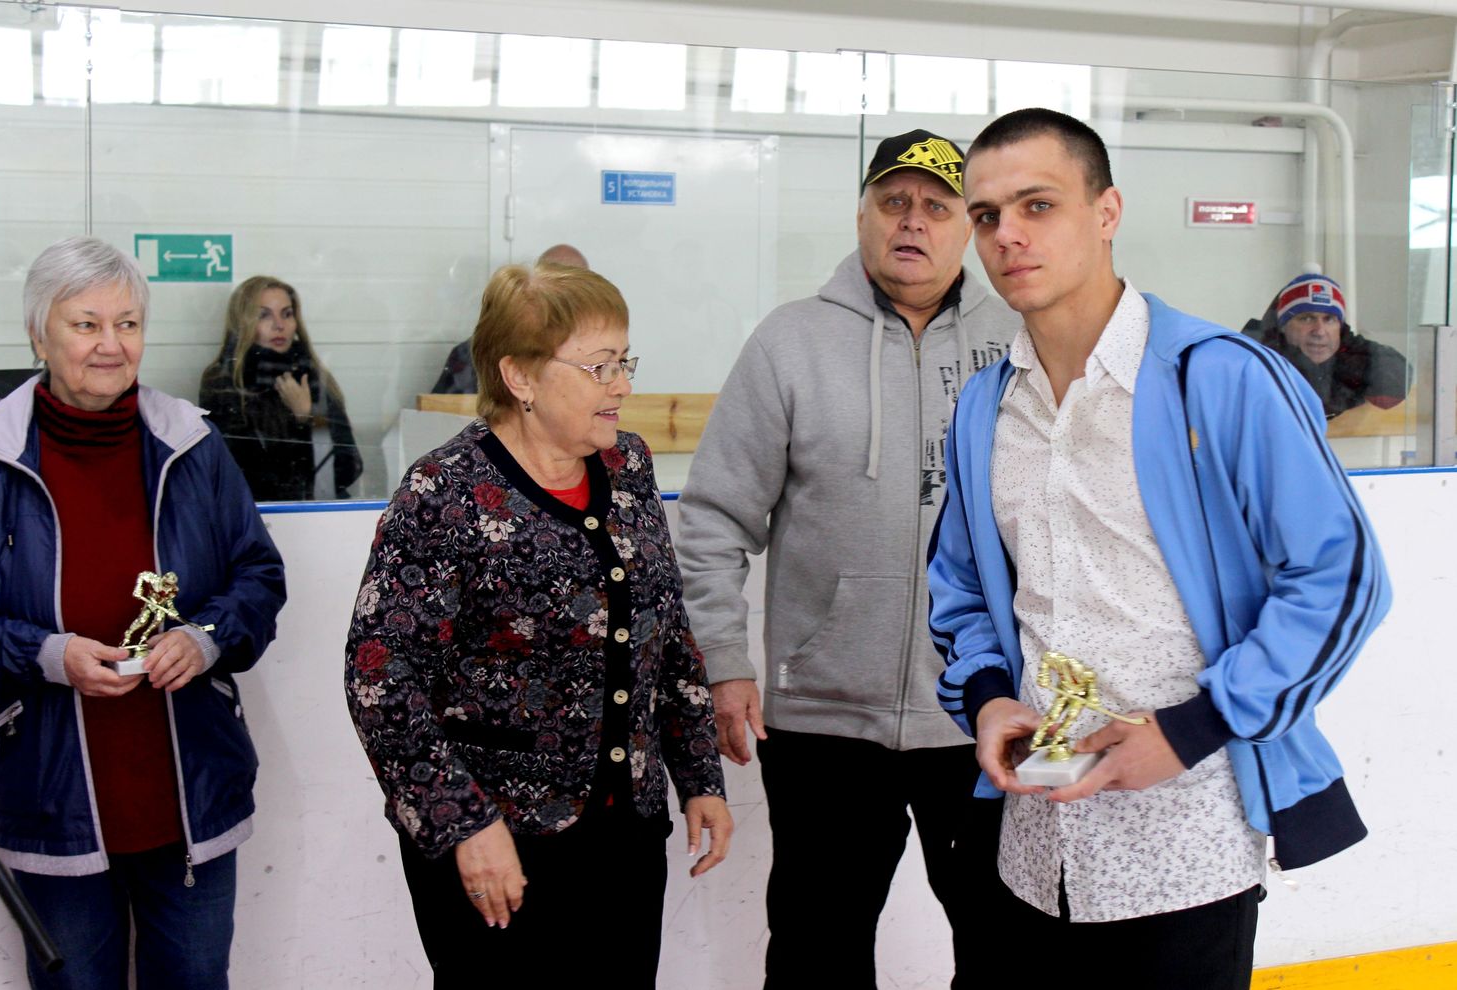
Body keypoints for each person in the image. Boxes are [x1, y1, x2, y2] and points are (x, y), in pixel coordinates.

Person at [926, 108, 1391, 989]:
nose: (1007, 235)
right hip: (1029, 849)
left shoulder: (1223, 378)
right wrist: (986, 699)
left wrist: (1192, 729)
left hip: (1186, 851)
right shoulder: (986, 406)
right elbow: (959, 588)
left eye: (1037, 205)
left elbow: (1344, 580)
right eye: (986, 216)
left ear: (1106, 213)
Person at [675, 129, 1020, 988]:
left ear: (969, 225)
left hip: (980, 711)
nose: (913, 222)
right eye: (893, 201)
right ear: (862, 215)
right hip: (822, 721)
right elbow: (713, 519)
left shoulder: (1019, 344)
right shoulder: (790, 342)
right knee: (815, 955)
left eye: (937, 206)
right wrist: (724, 660)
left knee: (1008, 949)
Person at [346, 263, 731, 989]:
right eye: (599, 366)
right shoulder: (445, 491)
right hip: (499, 841)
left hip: (625, 833)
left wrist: (699, 776)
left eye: (625, 362)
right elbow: (379, 676)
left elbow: (666, 630)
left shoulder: (629, 464)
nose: (621, 386)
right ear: (519, 376)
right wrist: (463, 822)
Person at [0, 236, 287, 989]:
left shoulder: (193, 444)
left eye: (128, 324)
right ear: (38, 335)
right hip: (50, 801)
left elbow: (258, 575)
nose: (111, 344)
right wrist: (48, 656)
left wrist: (205, 640)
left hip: (190, 793)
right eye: (86, 324)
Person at [199, 275, 362, 500]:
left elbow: (350, 468)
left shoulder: (312, 375)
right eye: (264, 315)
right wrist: (302, 424)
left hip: (318, 512)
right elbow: (240, 473)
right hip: (259, 513)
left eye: (287, 314)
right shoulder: (224, 380)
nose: (279, 325)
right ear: (243, 322)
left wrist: (309, 417)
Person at [1242, 271, 1409, 419]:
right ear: (1283, 327)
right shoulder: (1251, 363)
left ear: (1340, 328)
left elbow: (1393, 386)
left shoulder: (1349, 355)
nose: (1319, 331)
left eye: (1329, 319)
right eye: (1307, 318)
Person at [431, 245, 590, 394]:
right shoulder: (481, 351)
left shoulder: (600, 352)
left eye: (573, 288)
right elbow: (440, 408)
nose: (562, 301)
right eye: (553, 286)